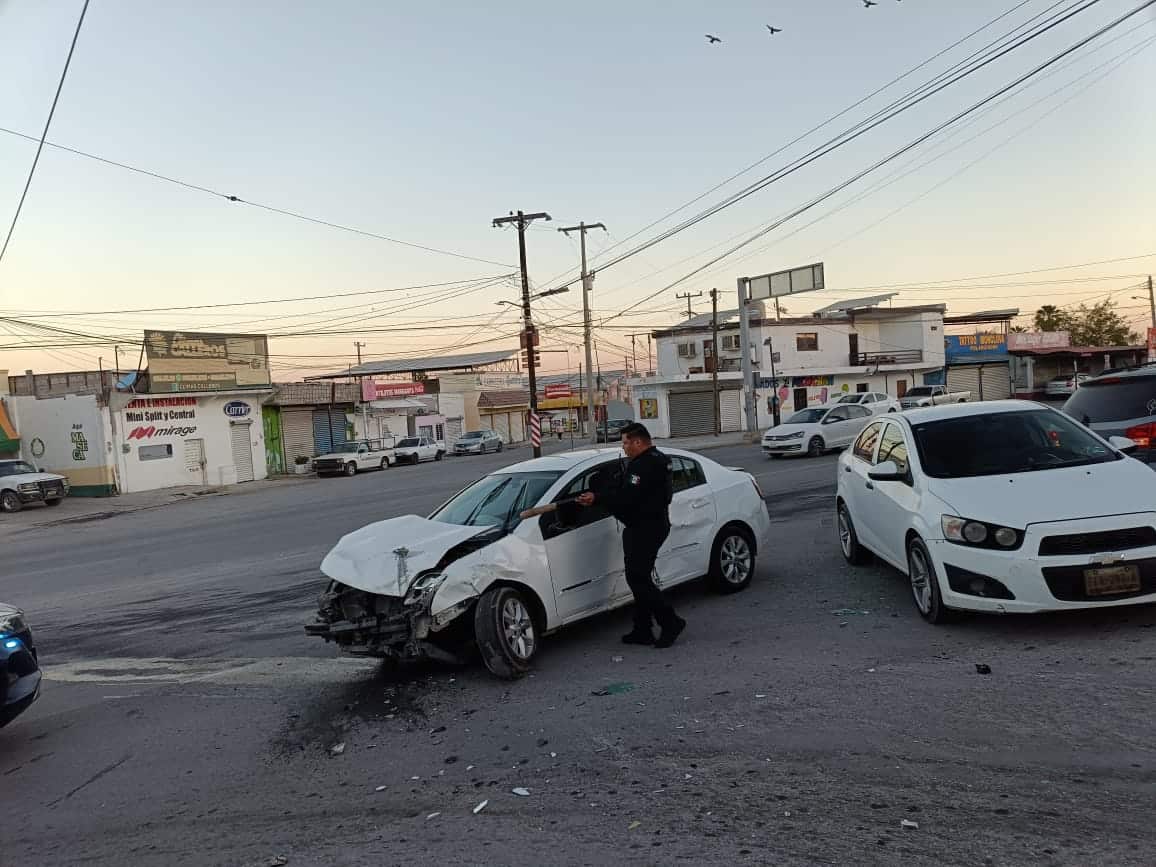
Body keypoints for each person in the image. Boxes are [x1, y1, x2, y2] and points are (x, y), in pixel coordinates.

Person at [576, 422, 686, 648]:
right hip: (650, 525)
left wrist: (597, 499)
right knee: (638, 578)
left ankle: (670, 621)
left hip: (645, 528)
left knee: (639, 579)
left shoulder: (643, 465)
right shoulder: (658, 458)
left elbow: (627, 498)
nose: (623, 447)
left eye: (626, 442)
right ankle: (642, 628)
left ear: (638, 442)